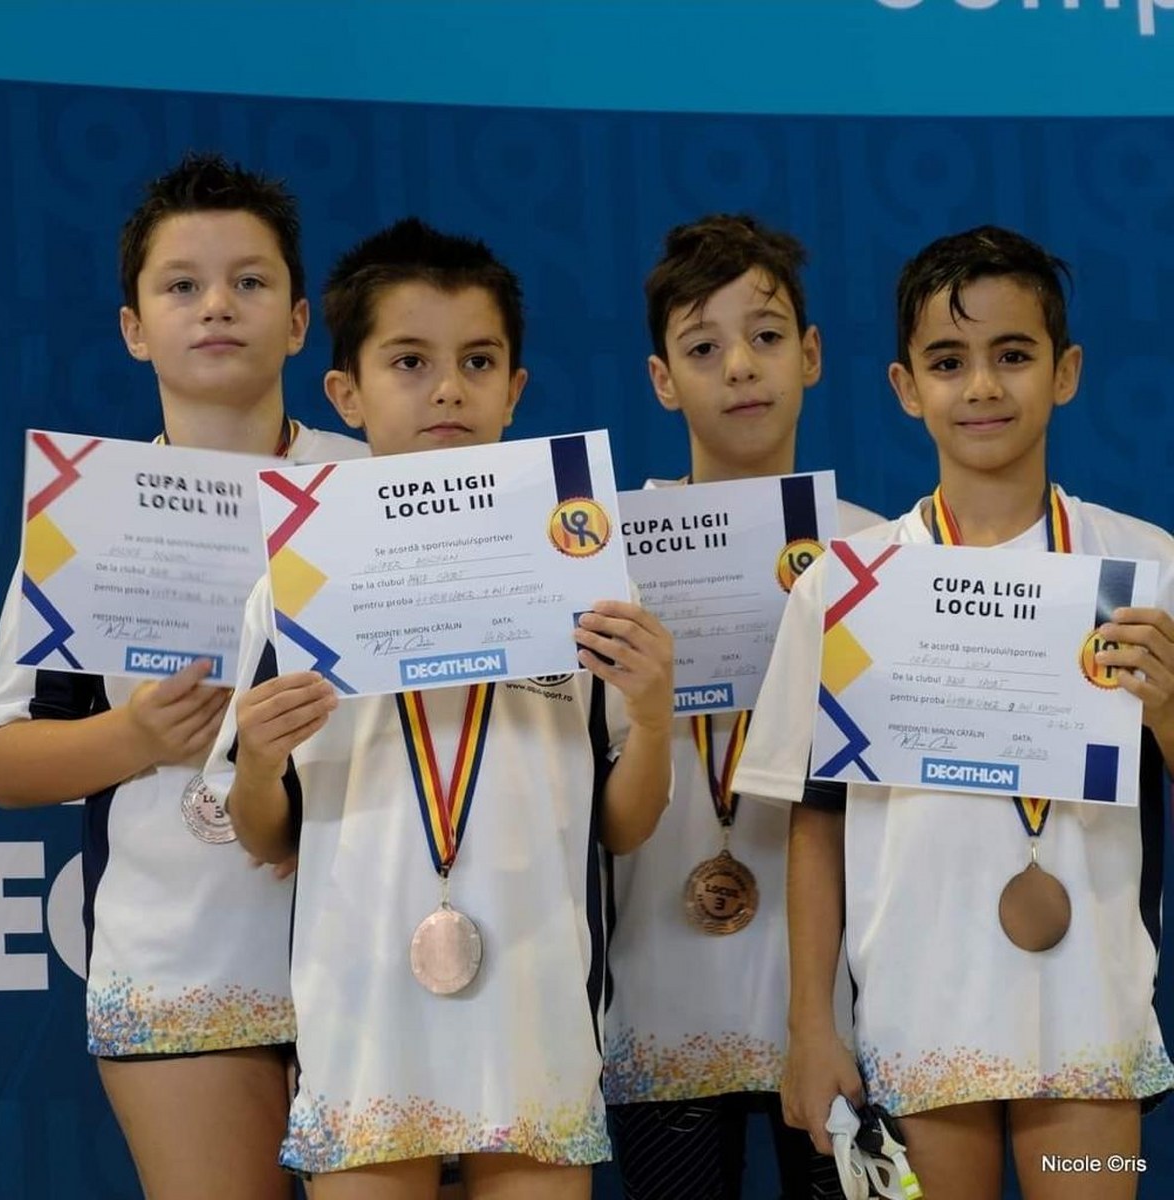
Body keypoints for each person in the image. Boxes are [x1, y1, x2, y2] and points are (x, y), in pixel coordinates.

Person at [204, 217, 675, 1199]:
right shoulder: (296, 582)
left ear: (515, 387)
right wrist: (258, 760)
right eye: (410, 361)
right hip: (363, 1019)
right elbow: (263, 832)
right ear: (347, 392)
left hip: (536, 1020)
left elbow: (623, 828)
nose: (449, 388)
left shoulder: (583, 571)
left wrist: (655, 714)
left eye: (478, 361)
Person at [733, 225, 1174, 1200]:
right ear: (904, 386)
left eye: (1012, 355)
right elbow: (815, 821)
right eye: (947, 361)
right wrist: (812, 1026)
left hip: (1092, 1016)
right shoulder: (844, 587)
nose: (981, 386)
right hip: (911, 1018)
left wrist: (1169, 711)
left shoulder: (1146, 567)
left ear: (1065, 372)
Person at [0, 152, 368, 1200]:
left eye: (250, 281)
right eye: (182, 285)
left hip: (384, 947)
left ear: (299, 321)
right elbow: (2, 762)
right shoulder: (87, 512)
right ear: (134, 327)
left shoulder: (373, 486)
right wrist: (137, 737)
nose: (217, 306)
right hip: (180, 956)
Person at [604, 213, 879, 1200]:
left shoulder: (880, 562)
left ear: (811, 354)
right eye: (702, 347)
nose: (740, 367)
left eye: (766, 336)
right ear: (661, 379)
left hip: (849, 1006)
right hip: (658, 990)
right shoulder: (606, 566)